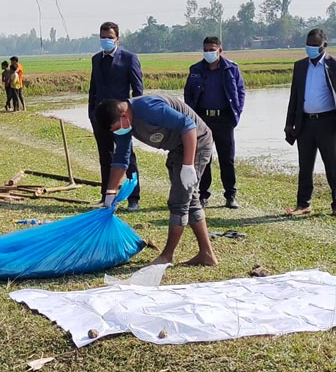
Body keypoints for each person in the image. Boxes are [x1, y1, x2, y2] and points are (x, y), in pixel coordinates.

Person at [95, 95, 218, 266]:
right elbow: (122, 159)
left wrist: (188, 165)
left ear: (123, 115)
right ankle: (206, 254)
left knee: (179, 202)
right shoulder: (125, 125)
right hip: (177, 147)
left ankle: (167, 256)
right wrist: (110, 192)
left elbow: (188, 125)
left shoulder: (148, 109)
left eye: (115, 128)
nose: (116, 132)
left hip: (196, 142)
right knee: (190, 199)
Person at [284, 28, 336, 218]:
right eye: (309, 45)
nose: (311, 49)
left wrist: (335, 104)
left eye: (316, 45)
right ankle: (303, 204)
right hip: (305, 123)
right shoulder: (300, 66)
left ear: (325, 45)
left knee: (333, 165)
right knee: (305, 166)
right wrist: (289, 123)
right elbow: (294, 97)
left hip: (328, 122)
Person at [88, 21, 144, 211]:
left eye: (110, 38)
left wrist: (134, 115)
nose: (106, 41)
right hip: (100, 117)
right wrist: (91, 113)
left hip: (121, 118)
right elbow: (93, 88)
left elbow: (138, 90)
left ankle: (133, 197)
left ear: (117, 39)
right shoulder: (96, 59)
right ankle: (107, 196)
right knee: (105, 156)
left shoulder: (129, 58)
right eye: (103, 38)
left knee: (127, 156)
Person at [184, 36, 246, 209]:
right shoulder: (196, 69)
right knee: (204, 158)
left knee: (227, 159)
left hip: (224, 119)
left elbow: (240, 92)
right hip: (202, 119)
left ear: (220, 50)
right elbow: (188, 94)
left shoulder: (231, 69)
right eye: (206, 50)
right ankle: (203, 195)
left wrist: (236, 114)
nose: (209, 53)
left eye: (213, 50)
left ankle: (230, 195)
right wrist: (192, 117)